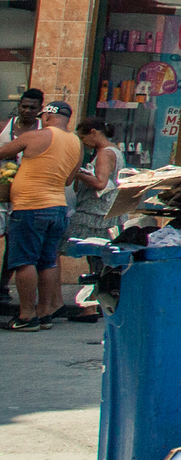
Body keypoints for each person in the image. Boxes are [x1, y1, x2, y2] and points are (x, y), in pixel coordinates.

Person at [1, 101, 83, 331]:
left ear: (47, 115)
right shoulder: (76, 142)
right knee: (47, 262)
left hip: (30, 206)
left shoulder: (37, 136)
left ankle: (26, 316)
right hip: (57, 207)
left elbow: (3, 151)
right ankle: (45, 313)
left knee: (24, 261)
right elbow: (69, 180)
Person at [68, 119, 126, 241]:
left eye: (83, 138)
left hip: (99, 213)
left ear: (94, 133)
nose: (83, 142)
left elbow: (100, 183)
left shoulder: (105, 153)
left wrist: (78, 174)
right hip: (108, 211)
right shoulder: (113, 150)